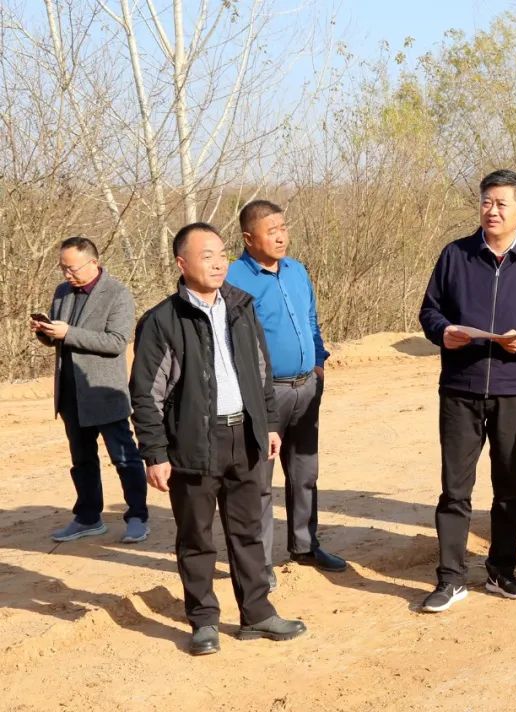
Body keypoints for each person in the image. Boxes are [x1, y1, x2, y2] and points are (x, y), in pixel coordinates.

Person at [130, 222, 306, 655]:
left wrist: (268, 424)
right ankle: (204, 621)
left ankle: (257, 614)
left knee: (248, 532)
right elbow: (146, 394)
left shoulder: (241, 307)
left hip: (244, 436)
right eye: (206, 255)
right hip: (193, 443)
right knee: (197, 538)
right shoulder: (162, 321)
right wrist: (154, 453)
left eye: (221, 254)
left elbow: (261, 372)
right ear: (182, 263)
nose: (217, 262)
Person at [417, 169, 516, 613]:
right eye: (486, 201)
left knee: (508, 488)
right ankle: (450, 579)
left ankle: (502, 571)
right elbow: (430, 310)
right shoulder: (455, 254)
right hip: (460, 387)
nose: (492, 210)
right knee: (454, 490)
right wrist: (444, 332)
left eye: (502, 203)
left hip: (514, 388)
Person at [227, 200, 346, 592]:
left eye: (283, 227)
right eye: (271, 230)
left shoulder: (296, 270)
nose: (280, 236)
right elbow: (232, 342)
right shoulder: (234, 280)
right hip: (265, 395)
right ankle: (259, 563)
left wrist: (319, 363)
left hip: (306, 386)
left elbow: (311, 319)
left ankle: (305, 545)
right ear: (249, 238)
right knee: (259, 482)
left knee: (304, 472)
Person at [31, 236, 149, 544]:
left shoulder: (118, 294)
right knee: (82, 460)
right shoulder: (62, 292)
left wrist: (68, 333)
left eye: (72, 268)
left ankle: (138, 516)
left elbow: (116, 341)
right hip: (70, 392)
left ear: (93, 262)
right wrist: (45, 332)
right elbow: (59, 340)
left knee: (124, 458)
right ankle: (87, 517)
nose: (66, 274)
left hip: (104, 391)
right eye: (63, 268)